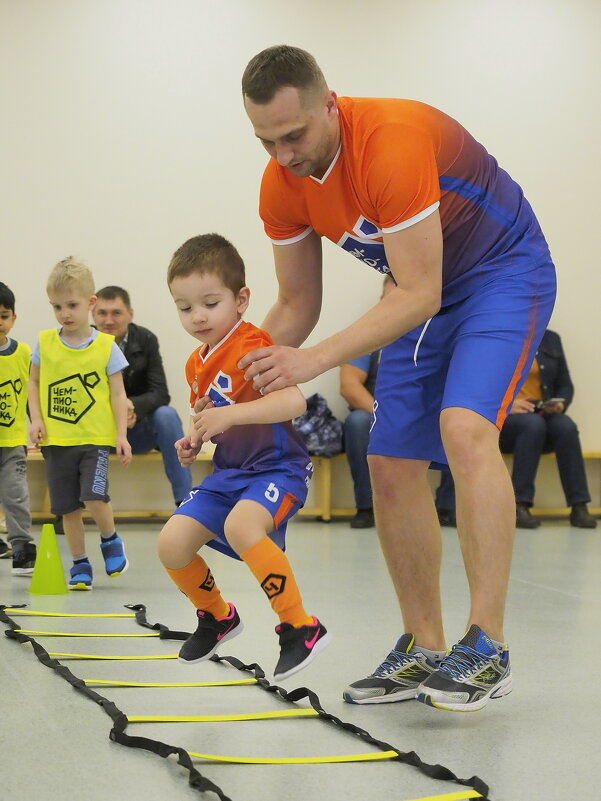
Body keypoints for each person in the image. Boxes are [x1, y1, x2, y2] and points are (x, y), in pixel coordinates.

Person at [239, 45, 557, 712]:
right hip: (419, 286)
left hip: (501, 272)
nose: (283, 154)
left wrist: (313, 360)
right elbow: (296, 303)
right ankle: (424, 643)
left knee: (463, 428)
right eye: (266, 140)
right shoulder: (281, 182)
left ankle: (487, 645)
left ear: (329, 103)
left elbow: (418, 293)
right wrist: (234, 379)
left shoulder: (387, 141)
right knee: (387, 458)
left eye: (294, 134)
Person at [157, 233, 330, 682]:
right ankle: (218, 616)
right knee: (171, 543)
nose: (197, 316)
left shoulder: (254, 345)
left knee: (241, 527)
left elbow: (292, 403)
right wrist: (193, 438)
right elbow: (209, 415)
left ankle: (300, 626)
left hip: (278, 470)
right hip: (229, 473)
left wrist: (230, 416)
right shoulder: (196, 362)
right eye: (184, 307)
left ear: (241, 300)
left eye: (209, 303)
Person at [28, 258, 132, 590]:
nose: (64, 313)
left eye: (71, 305)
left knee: (95, 496)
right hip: (57, 442)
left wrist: (121, 435)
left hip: (95, 440)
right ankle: (80, 563)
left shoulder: (105, 347)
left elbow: (118, 394)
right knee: (67, 507)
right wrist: (36, 421)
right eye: (57, 306)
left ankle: (110, 538)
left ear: (90, 304)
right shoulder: (44, 343)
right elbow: (33, 383)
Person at [429, 330, 598, 530]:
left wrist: (560, 403)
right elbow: (479, 383)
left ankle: (579, 506)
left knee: (566, 426)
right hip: (503, 418)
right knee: (532, 425)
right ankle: (519, 505)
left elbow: (565, 386)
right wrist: (508, 405)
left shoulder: (551, 339)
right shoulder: (497, 333)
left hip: (541, 412)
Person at [92, 287, 193, 507]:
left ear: (130, 313)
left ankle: (187, 505)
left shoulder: (146, 339)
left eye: (116, 313)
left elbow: (160, 393)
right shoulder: (82, 343)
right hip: (97, 434)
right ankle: (68, 511)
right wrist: (116, 409)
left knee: (167, 415)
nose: (108, 320)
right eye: (102, 313)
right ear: (92, 314)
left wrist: (132, 406)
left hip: (136, 431)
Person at [339, 274, 395, 528]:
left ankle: (448, 508)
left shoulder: (435, 335)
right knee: (358, 422)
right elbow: (349, 386)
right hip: (376, 412)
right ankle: (366, 507)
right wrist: (382, 414)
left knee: (454, 421)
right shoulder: (368, 335)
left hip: (422, 414)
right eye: (390, 299)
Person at [0, 282, 37, 575]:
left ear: (13, 318)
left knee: (15, 493)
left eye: (3, 316)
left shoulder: (23, 353)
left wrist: (37, 424)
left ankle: (22, 547)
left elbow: (31, 394)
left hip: (12, 441)